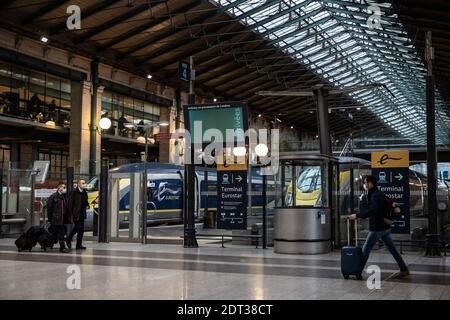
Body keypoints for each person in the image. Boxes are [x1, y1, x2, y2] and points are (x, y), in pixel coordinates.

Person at [349, 175, 410, 278]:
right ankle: (403, 269)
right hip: (385, 227)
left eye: (364, 182)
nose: (363, 184)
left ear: (370, 183)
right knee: (393, 249)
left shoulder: (375, 195)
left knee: (366, 249)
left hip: (377, 227)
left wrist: (358, 215)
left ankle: (357, 271)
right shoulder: (378, 193)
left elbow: (374, 211)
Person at [46, 182, 70, 253]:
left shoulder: (65, 197)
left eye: (65, 187)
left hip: (63, 219)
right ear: (59, 188)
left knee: (61, 234)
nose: (64, 189)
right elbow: (49, 208)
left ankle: (62, 248)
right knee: (55, 234)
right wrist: (50, 219)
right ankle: (49, 244)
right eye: (63, 187)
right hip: (56, 219)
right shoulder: (53, 196)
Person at [67, 179, 89, 250]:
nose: (84, 184)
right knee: (77, 227)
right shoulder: (74, 192)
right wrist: (71, 214)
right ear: (78, 184)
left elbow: (85, 200)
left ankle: (78, 245)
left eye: (84, 183)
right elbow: (70, 204)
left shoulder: (84, 192)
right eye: (82, 183)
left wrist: (87, 205)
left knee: (81, 230)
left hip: (82, 213)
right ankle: (68, 238)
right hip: (76, 213)